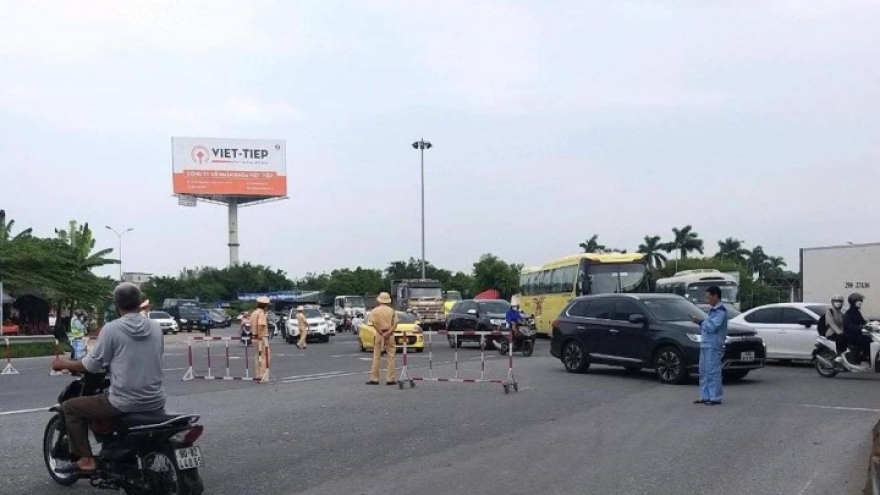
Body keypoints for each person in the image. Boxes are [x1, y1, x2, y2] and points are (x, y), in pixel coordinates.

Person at [51, 283, 165, 475]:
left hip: (124, 401)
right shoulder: (155, 327)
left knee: (70, 407)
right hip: (156, 399)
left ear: (116, 303)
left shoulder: (112, 329)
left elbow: (92, 364)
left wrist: (64, 364)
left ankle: (86, 460)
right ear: (139, 302)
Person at [690, 286, 727, 406]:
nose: (707, 300)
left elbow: (712, 327)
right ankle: (705, 395)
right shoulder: (713, 310)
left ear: (715, 296)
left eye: (708, 297)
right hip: (706, 343)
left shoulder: (721, 311)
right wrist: (702, 322)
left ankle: (715, 397)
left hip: (714, 344)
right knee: (703, 370)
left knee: (713, 371)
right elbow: (708, 325)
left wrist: (700, 322)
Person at [366, 292, 398, 385]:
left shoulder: (374, 311)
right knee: (391, 357)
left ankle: (374, 378)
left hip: (379, 335)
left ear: (379, 300)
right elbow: (395, 324)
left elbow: (373, 323)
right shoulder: (392, 311)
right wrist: (388, 333)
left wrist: (381, 332)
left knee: (376, 357)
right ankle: (390, 379)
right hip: (390, 335)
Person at [843, 292, 871, 365]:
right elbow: (848, 325)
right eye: (858, 301)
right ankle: (863, 358)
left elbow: (862, 321)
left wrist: (870, 324)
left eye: (861, 301)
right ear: (853, 302)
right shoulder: (849, 313)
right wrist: (860, 328)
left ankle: (866, 357)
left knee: (870, 339)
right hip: (851, 336)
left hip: (857, 334)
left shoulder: (857, 311)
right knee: (867, 341)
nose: (860, 302)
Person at [251, 297, 271, 379]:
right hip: (261, 338)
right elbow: (260, 325)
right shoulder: (261, 314)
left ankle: (258, 374)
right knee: (265, 356)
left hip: (254, 337)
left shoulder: (254, 313)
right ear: (265, 306)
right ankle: (262, 374)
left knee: (257, 356)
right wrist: (260, 335)